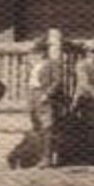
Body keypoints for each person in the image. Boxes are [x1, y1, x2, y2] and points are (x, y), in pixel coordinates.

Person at [27, 38, 65, 169]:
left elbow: (57, 81)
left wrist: (47, 94)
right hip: (33, 95)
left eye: (39, 52)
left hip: (44, 96)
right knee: (37, 126)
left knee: (47, 127)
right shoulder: (34, 65)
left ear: (44, 52)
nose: (37, 54)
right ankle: (42, 155)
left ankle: (48, 158)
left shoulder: (52, 64)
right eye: (35, 52)